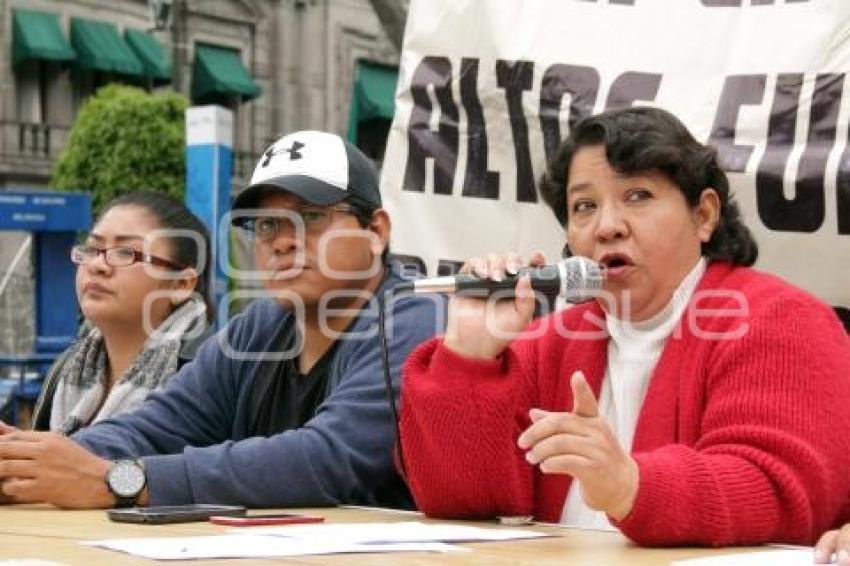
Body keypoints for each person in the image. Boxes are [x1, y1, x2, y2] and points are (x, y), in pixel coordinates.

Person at [399, 107, 850, 546]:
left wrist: (629, 485)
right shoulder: (548, 341)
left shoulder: (781, 320)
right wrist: (468, 357)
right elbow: (460, 503)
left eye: (638, 196)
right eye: (584, 206)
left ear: (705, 214)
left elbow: (778, 492)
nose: (607, 226)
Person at [0, 131, 443, 510]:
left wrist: (119, 481)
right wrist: (22, 462)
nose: (283, 241)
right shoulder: (260, 326)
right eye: (266, 226)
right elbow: (160, 424)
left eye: (310, 217)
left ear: (376, 231)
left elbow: (328, 458)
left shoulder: (413, 316)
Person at [30, 191, 212, 435]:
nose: (97, 265)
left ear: (180, 285)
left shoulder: (205, 377)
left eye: (126, 253)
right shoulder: (69, 367)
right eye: (93, 249)